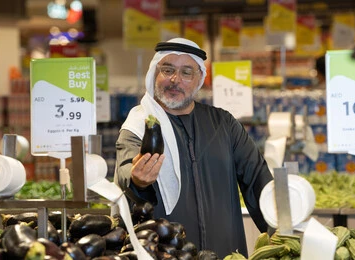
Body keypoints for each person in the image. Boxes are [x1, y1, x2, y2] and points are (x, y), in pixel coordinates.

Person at [113, 37, 273, 258]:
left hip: (224, 250)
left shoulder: (223, 124)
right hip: (165, 252)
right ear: (154, 74)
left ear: (199, 79)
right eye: (167, 70)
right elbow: (125, 169)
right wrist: (138, 180)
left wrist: (279, 228)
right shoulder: (139, 125)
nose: (175, 80)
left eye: (186, 72)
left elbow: (257, 179)